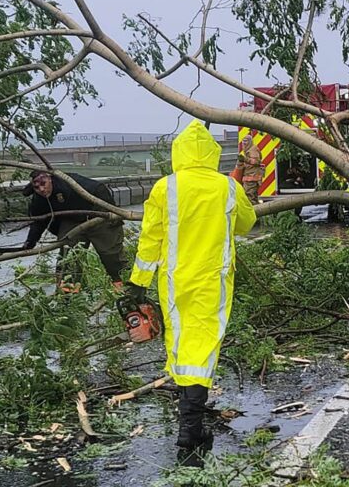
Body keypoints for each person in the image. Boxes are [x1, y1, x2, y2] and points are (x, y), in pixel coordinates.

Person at [125, 120, 256, 467]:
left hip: (174, 282)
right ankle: (191, 427)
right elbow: (247, 224)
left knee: (182, 345)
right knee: (203, 347)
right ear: (212, 154)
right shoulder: (227, 188)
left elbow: (150, 239)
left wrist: (138, 281)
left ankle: (190, 423)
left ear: (178, 153)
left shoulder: (164, 187)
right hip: (214, 280)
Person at [22, 170, 127, 291]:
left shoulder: (68, 181)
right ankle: (68, 290)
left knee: (110, 253)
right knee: (69, 255)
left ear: (50, 179)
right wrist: (30, 242)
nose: (41, 189)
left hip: (97, 215)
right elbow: (38, 222)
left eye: (43, 184)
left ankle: (121, 285)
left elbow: (99, 188)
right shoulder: (38, 199)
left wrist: (108, 213)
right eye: (37, 187)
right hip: (71, 221)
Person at [238, 134, 263, 202]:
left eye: (246, 141)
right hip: (249, 177)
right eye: (243, 141)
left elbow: (256, 161)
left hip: (252, 177)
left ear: (250, 141)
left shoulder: (253, 150)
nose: (244, 143)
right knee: (252, 197)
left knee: (249, 197)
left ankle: (254, 211)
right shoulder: (248, 150)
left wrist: (245, 159)